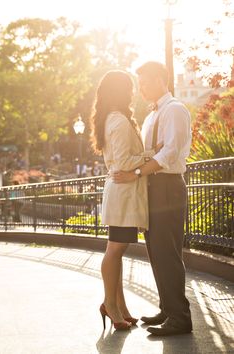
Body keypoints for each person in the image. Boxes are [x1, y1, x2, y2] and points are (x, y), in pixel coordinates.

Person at [113, 61, 192, 336]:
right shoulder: (150, 116)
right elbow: (150, 152)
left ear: (160, 79)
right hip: (153, 187)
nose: (141, 87)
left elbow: (169, 154)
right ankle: (168, 309)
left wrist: (135, 173)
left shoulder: (175, 110)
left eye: (145, 81)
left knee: (167, 252)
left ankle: (180, 317)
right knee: (156, 252)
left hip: (168, 186)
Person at [90, 70, 155, 331]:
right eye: (128, 87)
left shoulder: (114, 118)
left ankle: (119, 306)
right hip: (122, 194)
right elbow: (122, 162)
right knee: (115, 251)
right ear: (120, 91)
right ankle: (110, 305)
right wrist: (153, 154)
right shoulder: (117, 121)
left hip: (123, 194)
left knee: (117, 252)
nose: (132, 91)